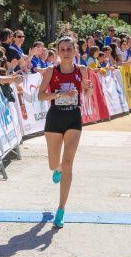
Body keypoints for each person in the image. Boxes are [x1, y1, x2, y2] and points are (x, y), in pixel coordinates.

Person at [38, 37, 93, 228]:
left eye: (69, 49)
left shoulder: (82, 70)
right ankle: (58, 169)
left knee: (68, 161)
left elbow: (86, 95)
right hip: (55, 118)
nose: (66, 52)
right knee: (54, 164)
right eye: (62, 49)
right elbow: (40, 95)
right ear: (58, 52)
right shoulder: (52, 71)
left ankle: (61, 209)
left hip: (73, 117)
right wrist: (59, 94)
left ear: (75, 51)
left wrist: (89, 90)